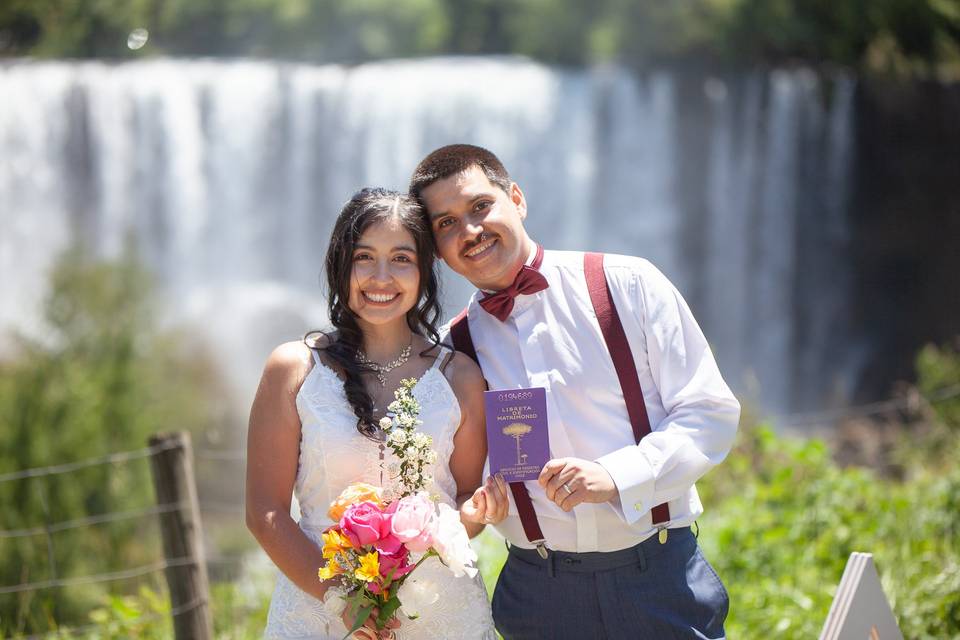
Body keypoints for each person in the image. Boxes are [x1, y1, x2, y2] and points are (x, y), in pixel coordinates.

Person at [409, 145, 741, 639]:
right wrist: (478, 505)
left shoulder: (626, 285)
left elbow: (708, 412)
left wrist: (616, 474)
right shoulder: (454, 351)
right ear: (436, 249)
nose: (470, 231)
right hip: (539, 594)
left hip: (659, 578)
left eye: (480, 207)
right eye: (447, 223)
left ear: (516, 199)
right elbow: (459, 478)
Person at [246, 188, 507, 639]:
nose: (380, 277)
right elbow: (265, 512)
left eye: (401, 258)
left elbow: (463, 496)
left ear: (424, 270)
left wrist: (479, 512)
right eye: (364, 257)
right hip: (321, 615)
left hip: (440, 614)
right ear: (339, 264)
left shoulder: (461, 377)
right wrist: (342, 601)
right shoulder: (293, 369)